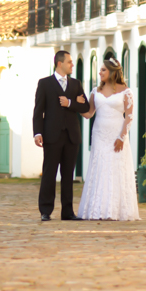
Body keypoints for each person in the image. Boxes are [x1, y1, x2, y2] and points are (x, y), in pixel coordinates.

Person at [77, 57, 140, 221]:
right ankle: (97, 210)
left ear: (112, 72)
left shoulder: (126, 91)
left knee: (115, 168)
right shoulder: (95, 91)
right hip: (99, 135)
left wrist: (122, 137)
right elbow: (89, 113)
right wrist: (75, 105)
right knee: (100, 168)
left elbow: (129, 116)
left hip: (116, 135)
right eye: (100, 70)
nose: (100, 72)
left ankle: (115, 210)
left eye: (103, 70)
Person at [33, 50, 90, 221]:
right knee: (49, 173)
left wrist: (70, 103)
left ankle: (67, 212)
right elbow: (38, 111)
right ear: (60, 63)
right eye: (69, 62)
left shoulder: (76, 84)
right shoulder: (45, 84)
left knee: (68, 175)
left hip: (72, 137)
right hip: (51, 136)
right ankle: (45, 210)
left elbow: (85, 107)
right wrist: (37, 133)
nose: (72, 65)